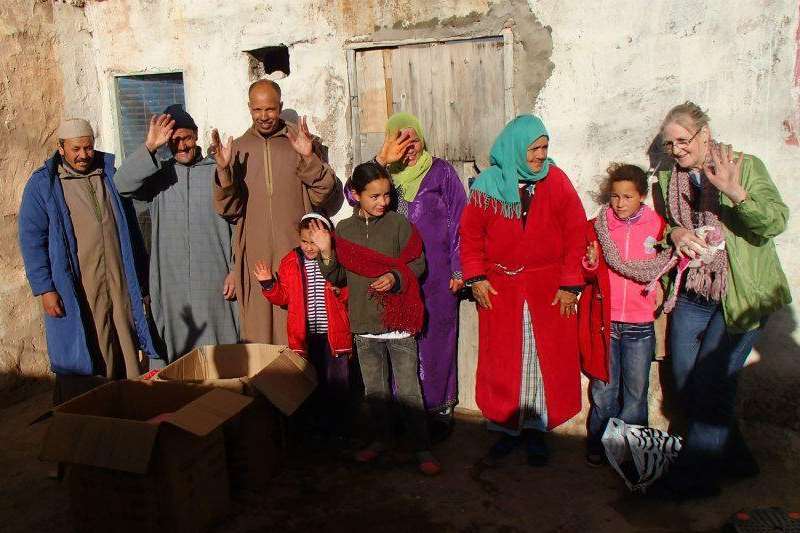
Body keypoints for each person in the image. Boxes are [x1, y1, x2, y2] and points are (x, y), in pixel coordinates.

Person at [650, 102, 791, 499]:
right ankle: (737, 459)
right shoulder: (669, 179)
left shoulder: (745, 166)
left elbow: (775, 221)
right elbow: (673, 225)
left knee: (713, 382)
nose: (676, 150)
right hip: (696, 288)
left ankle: (696, 477)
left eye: (683, 141)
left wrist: (736, 193)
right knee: (683, 376)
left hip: (740, 291)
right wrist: (675, 235)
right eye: (669, 144)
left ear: (704, 134)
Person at [459, 115, 586, 466]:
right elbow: (470, 237)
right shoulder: (488, 186)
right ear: (516, 147)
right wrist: (476, 277)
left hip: (548, 290)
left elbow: (577, 233)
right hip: (501, 291)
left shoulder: (556, 181)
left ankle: (535, 431)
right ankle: (505, 428)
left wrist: (569, 285)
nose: (541, 155)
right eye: (534, 149)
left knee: (541, 361)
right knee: (505, 361)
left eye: (544, 148)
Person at [310, 162, 440, 476]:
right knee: (376, 391)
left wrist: (396, 277)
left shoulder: (399, 225)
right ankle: (381, 440)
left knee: (409, 390)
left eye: (386, 195)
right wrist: (327, 253)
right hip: (365, 323)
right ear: (355, 194)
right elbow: (338, 276)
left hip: (398, 322)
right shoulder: (344, 230)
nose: (383, 202)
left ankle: (421, 446)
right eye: (374, 196)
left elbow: (417, 264)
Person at [18, 118, 157, 404]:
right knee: (89, 341)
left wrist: (141, 280)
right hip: (78, 283)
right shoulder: (43, 185)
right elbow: (32, 240)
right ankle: (90, 406)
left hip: (117, 278)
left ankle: (127, 403)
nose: (83, 155)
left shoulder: (107, 175)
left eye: (89, 148)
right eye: (76, 149)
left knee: (124, 334)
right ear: (61, 148)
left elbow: (130, 227)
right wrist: (45, 288)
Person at [212, 79, 340, 344]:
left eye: (270, 109)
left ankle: (300, 381)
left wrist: (308, 157)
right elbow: (229, 209)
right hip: (255, 251)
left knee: (297, 321)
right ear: (249, 108)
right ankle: (263, 383)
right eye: (257, 110)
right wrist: (224, 172)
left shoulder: (299, 142)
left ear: (280, 106)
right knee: (258, 326)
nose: (264, 117)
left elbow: (324, 195)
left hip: (296, 249)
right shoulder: (239, 148)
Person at [114, 105, 239, 362]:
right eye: (175, 141)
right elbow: (121, 186)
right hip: (172, 282)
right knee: (180, 354)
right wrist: (150, 147)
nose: (182, 146)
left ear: (196, 136)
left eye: (187, 138)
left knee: (221, 353)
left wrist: (236, 269)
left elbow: (238, 223)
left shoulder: (217, 171)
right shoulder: (159, 175)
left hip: (214, 279)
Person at [373, 112, 467, 436]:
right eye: (400, 139)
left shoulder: (441, 172)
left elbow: (460, 221)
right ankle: (406, 411)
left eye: (413, 138)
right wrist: (381, 160)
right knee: (402, 343)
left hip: (438, 277)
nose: (408, 146)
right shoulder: (383, 179)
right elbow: (352, 195)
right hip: (397, 279)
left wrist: (459, 266)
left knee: (437, 341)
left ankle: (439, 410)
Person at [579, 163, 672, 467]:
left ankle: (631, 451)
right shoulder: (597, 227)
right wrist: (591, 264)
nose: (619, 203)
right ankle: (599, 443)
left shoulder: (657, 227)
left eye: (628, 197)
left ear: (642, 196)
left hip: (639, 326)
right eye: (615, 196)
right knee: (604, 390)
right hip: (605, 322)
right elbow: (585, 274)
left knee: (635, 394)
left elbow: (665, 267)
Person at [253, 213, 353, 441]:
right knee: (307, 387)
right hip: (304, 339)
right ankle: (310, 437)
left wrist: (342, 293)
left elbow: (349, 292)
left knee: (336, 388)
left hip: (333, 338)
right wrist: (268, 283)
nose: (309, 247)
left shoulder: (337, 260)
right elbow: (284, 297)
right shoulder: (290, 262)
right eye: (304, 241)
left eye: (314, 242)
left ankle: (338, 436)